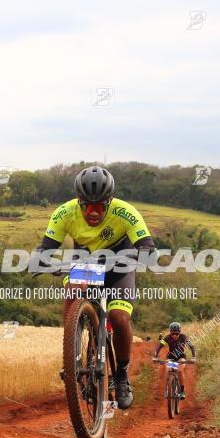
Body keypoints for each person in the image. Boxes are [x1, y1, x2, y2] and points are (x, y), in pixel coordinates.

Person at [33, 166, 156, 410]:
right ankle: (73, 353)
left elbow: (147, 245)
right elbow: (46, 247)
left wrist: (145, 255)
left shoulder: (126, 212)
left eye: (100, 206)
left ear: (109, 202)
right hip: (85, 261)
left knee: (119, 318)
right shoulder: (64, 213)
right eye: (87, 205)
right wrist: (39, 260)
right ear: (78, 202)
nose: (93, 211)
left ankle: (121, 376)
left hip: (119, 264)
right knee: (73, 293)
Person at [153, 322, 196, 399]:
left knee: (180, 371)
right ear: (170, 333)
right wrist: (155, 357)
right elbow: (159, 347)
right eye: (173, 334)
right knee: (167, 370)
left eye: (176, 334)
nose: (174, 336)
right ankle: (168, 389)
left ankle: (182, 391)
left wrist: (193, 357)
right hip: (171, 357)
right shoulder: (167, 338)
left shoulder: (184, 337)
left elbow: (191, 346)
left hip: (181, 358)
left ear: (179, 332)